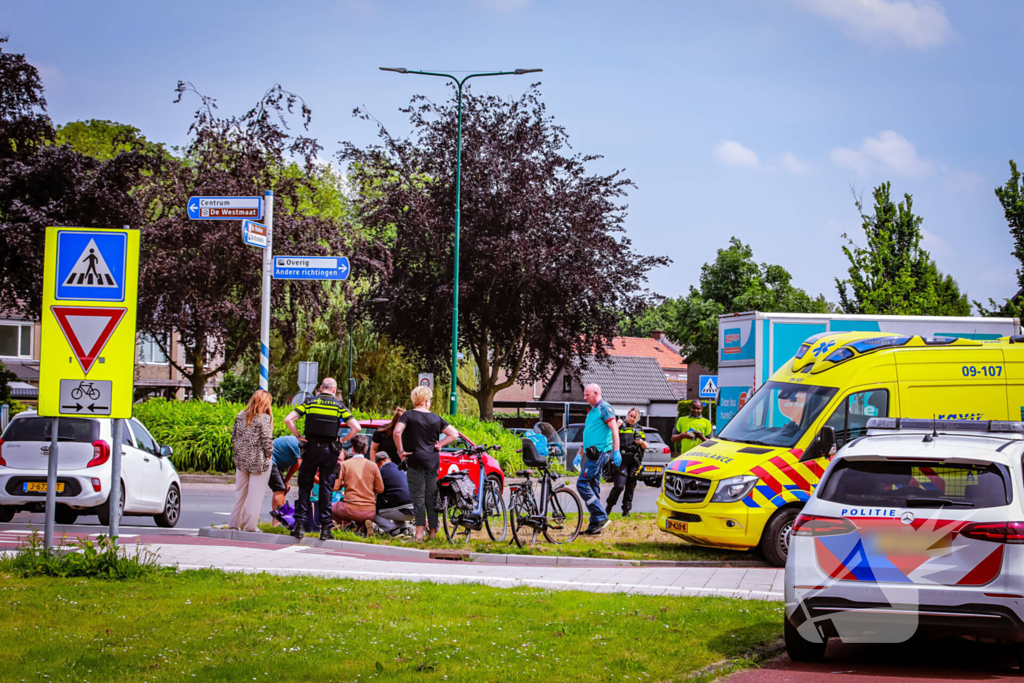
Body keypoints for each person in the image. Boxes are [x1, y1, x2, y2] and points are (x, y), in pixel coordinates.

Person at [284, 377, 361, 541]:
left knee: (305, 487)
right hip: (329, 452)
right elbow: (356, 427)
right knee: (326, 489)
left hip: (310, 449)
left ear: (320, 388)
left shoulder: (310, 402)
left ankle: (299, 527)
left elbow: (288, 419)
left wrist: (298, 436)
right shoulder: (339, 406)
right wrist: (342, 440)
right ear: (334, 390)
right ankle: (326, 529)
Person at [394, 385, 459, 542]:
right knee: (431, 497)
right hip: (432, 461)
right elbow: (454, 434)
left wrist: (401, 451)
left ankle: (419, 534)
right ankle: (433, 533)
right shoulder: (436, 418)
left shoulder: (408, 415)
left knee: (418, 497)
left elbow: (397, 432)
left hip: (415, 460)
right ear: (425, 401)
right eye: (429, 400)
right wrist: (440, 445)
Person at [572, 383, 621, 535]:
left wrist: (616, 451)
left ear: (595, 393)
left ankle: (600, 516)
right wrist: (579, 454)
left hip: (599, 454)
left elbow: (614, 429)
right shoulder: (592, 411)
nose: (584, 397)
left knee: (582, 483)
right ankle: (595, 526)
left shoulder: (604, 408)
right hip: (592, 454)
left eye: (587, 395)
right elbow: (589, 435)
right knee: (593, 488)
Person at [229, 390, 274, 532]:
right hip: (258, 461)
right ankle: (249, 526)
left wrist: (239, 452)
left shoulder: (240, 415)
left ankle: (234, 524)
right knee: (255, 495)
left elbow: (233, 437)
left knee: (240, 494)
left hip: (241, 460)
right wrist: (269, 454)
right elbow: (267, 440)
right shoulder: (264, 418)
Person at [331, 435, 384, 533]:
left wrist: (344, 484)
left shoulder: (344, 465)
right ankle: (364, 527)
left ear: (352, 449)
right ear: (365, 450)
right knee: (362, 518)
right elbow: (380, 489)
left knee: (330, 507)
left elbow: (335, 487)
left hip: (350, 509)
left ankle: (348, 525)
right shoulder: (373, 466)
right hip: (370, 511)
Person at [605, 407, 648, 517]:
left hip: (634, 461)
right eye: (631, 416)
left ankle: (626, 511)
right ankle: (608, 508)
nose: (632, 419)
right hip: (622, 460)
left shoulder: (639, 429)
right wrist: (617, 425)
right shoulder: (621, 426)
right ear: (627, 415)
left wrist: (642, 443)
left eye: (635, 417)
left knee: (630, 487)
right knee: (619, 486)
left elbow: (646, 446)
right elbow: (609, 435)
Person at [374, 448, 414, 536]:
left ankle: (391, 529)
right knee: (395, 501)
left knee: (372, 512)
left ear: (377, 464)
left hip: (402, 509)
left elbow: (376, 490)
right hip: (414, 508)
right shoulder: (399, 468)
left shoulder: (381, 472)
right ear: (389, 459)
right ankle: (403, 529)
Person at [268, 435, 302, 526]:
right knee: (279, 489)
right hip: (270, 460)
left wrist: (286, 481)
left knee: (283, 489)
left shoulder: (304, 448)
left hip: (278, 464)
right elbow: (303, 469)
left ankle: (281, 519)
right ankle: (277, 521)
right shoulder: (299, 445)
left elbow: (296, 466)